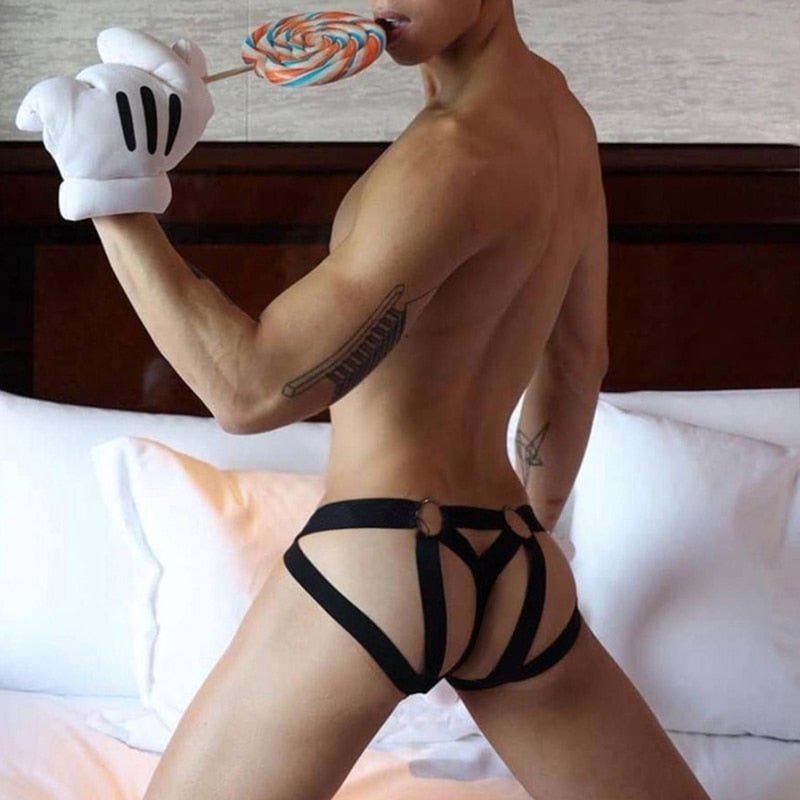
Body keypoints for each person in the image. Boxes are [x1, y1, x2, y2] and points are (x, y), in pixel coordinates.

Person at [17, 1, 712, 798]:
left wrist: (113, 192)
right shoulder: (563, 119)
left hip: (383, 550)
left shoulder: (449, 156)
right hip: (515, 557)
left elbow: (249, 390)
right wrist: (533, 534)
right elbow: (579, 362)